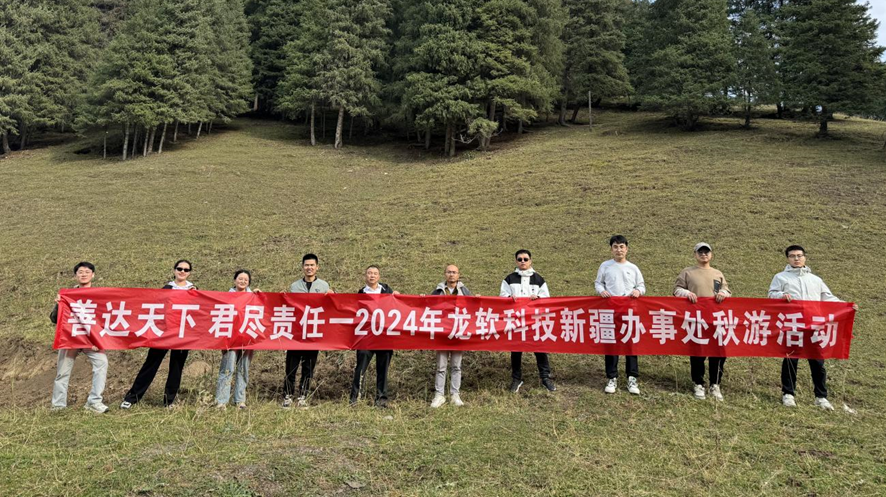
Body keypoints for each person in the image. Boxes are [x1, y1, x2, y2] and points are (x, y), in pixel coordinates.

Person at [768, 245, 858, 411]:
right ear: (787, 258)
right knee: (791, 359)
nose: (796, 258)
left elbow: (827, 297)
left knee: (817, 361)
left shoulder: (815, 279)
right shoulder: (780, 277)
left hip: (814, 325)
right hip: (793, 324)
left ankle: (821, 396)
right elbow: (771, 294)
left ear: (805, 257)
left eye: (799, 255)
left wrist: (846, 306)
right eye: (792, 256)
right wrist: (781, 295)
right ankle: (788, 394)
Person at [120, 259, 196, 409]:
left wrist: (195, 294)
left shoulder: (194, 289)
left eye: (186, 270)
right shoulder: (166, 288)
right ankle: (132, 398)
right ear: (174, 270)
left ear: (189, 273)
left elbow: (200, 310)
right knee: (151, 364)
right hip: (163, 332)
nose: (182, 271)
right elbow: (154, 306)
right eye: (179, 268)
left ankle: (169, 401)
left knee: (176, 367)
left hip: (182, 333)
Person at [673, 243, 731, 401]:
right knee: (698, 351)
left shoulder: (717, 273)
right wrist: (687, 293)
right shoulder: (687, 272)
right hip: (696, 319)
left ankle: (715, 384)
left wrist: (723, 293)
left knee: (718, 352)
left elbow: (726, 290)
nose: (704, 254)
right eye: (701, 252)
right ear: (695, 254)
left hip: (716, 319)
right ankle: (698, 383)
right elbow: (677, 290)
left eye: (706, 252)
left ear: (711, 255)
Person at [50, 261, 109, 413]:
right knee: (63, 371)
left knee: (101, 363)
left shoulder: (99, 295)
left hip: (90, 339)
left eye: (87, 272)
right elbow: (54, 319)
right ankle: (58, 405)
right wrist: (59, 305)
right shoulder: (67, 295)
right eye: (80, 272)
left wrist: (98, 340)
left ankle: (94, 402)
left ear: (93, 275)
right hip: (71, 338)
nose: (84, 275)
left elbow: (103, 319)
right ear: (76, 276)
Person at [594, 235, 645, 395]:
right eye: (615, 247)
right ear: (611, 249)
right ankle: (612, 377)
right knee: (611, 343)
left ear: (626, 249)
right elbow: (598, 283)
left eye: (621, 247)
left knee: (631, 344)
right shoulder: (605, 266)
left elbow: (641, 286)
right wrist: (602, 291)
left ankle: (632, 377)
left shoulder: (633, 268)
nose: (619, 250)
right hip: (610, 310)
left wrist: (638, 291)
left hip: (630, 311)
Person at [500, 249, 556, 393]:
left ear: (530, 261)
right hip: (516, 321)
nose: (523, 262)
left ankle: (545, 377)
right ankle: (516, 378)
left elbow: (546, 298)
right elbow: (502, 297)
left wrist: (538, 298)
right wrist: (509, 298)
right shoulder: (509, 279)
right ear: (516, 261)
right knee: (516, 350)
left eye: (525, 259)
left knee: (539, 348)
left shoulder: (539, 279)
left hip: (534, 321)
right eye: (520, 259)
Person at [283, 253, 332, 409]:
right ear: (302, 267)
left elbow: (331, 307)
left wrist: (333, 296)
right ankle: (288, 395)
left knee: (308, 367)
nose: (309, 268)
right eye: (306, 265)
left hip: (314, 333)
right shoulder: (295, 286)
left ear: (317, 267)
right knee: (291, 365)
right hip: (297, 333)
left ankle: (303, 396)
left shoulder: (324, 286)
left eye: (312, 265)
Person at [350, 265, 399, 408]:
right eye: (369, 273)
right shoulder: (360, 294)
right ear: (365, 276)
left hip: (384, 337)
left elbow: (398, 308)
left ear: (379, 276)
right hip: (366, 338)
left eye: (375, 273)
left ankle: (381, 399)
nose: (372, 276)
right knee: (360, 368)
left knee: (383, 370)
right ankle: (355, 398)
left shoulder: (387, 292)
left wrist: (398, 297)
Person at [429, 264, 472, 408]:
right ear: (445, 274)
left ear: (458, 275)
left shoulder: (464, 291)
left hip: (458, 332)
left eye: (454, 272)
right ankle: (439, 395)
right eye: (449, 272)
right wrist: (422, 299)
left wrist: (477, 299)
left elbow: (473, 308)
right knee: (441, 366)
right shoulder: (438, 291)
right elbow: (427, 306)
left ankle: (455, 394)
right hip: (442, 333)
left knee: (456, 366)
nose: (451, 274)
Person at [215, 269, 255, 409]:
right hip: (230, 338)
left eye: (245, 280)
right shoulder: (226, 297)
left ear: (248, 282)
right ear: (234, 280)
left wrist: (260, 296)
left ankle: (240, 400)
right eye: (240, 279)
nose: (242, 281)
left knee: (243, 369)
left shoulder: (253, 297)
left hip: (247, 338)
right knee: (227, 368)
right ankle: (221, 401)